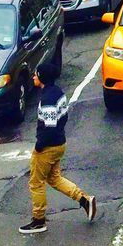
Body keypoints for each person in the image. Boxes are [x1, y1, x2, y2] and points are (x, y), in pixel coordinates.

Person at [19, 61, 96, 234]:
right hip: (59, 143)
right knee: (54, 178)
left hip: (48, 147)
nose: (33, 76)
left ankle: (38, 220)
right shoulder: (58, 93)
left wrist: (39, 146)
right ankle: (84, 200)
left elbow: (49, 126)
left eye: (36, 74)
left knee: (36, 183)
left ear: (41, 77)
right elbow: (63, 119)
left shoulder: (47, 99)